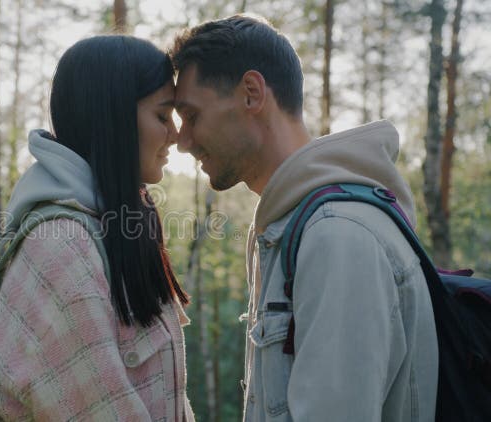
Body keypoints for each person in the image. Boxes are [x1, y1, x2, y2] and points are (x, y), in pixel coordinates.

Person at [170, 15, 438, 421]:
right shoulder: (296, 227)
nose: (183, 142)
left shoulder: (338, 237)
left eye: (191, 116)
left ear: (251, 93)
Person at [0, 35, 195, 421]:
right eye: (163, 116)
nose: (176, 135)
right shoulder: (61, 250)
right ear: (113, 119)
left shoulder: (113, 227)